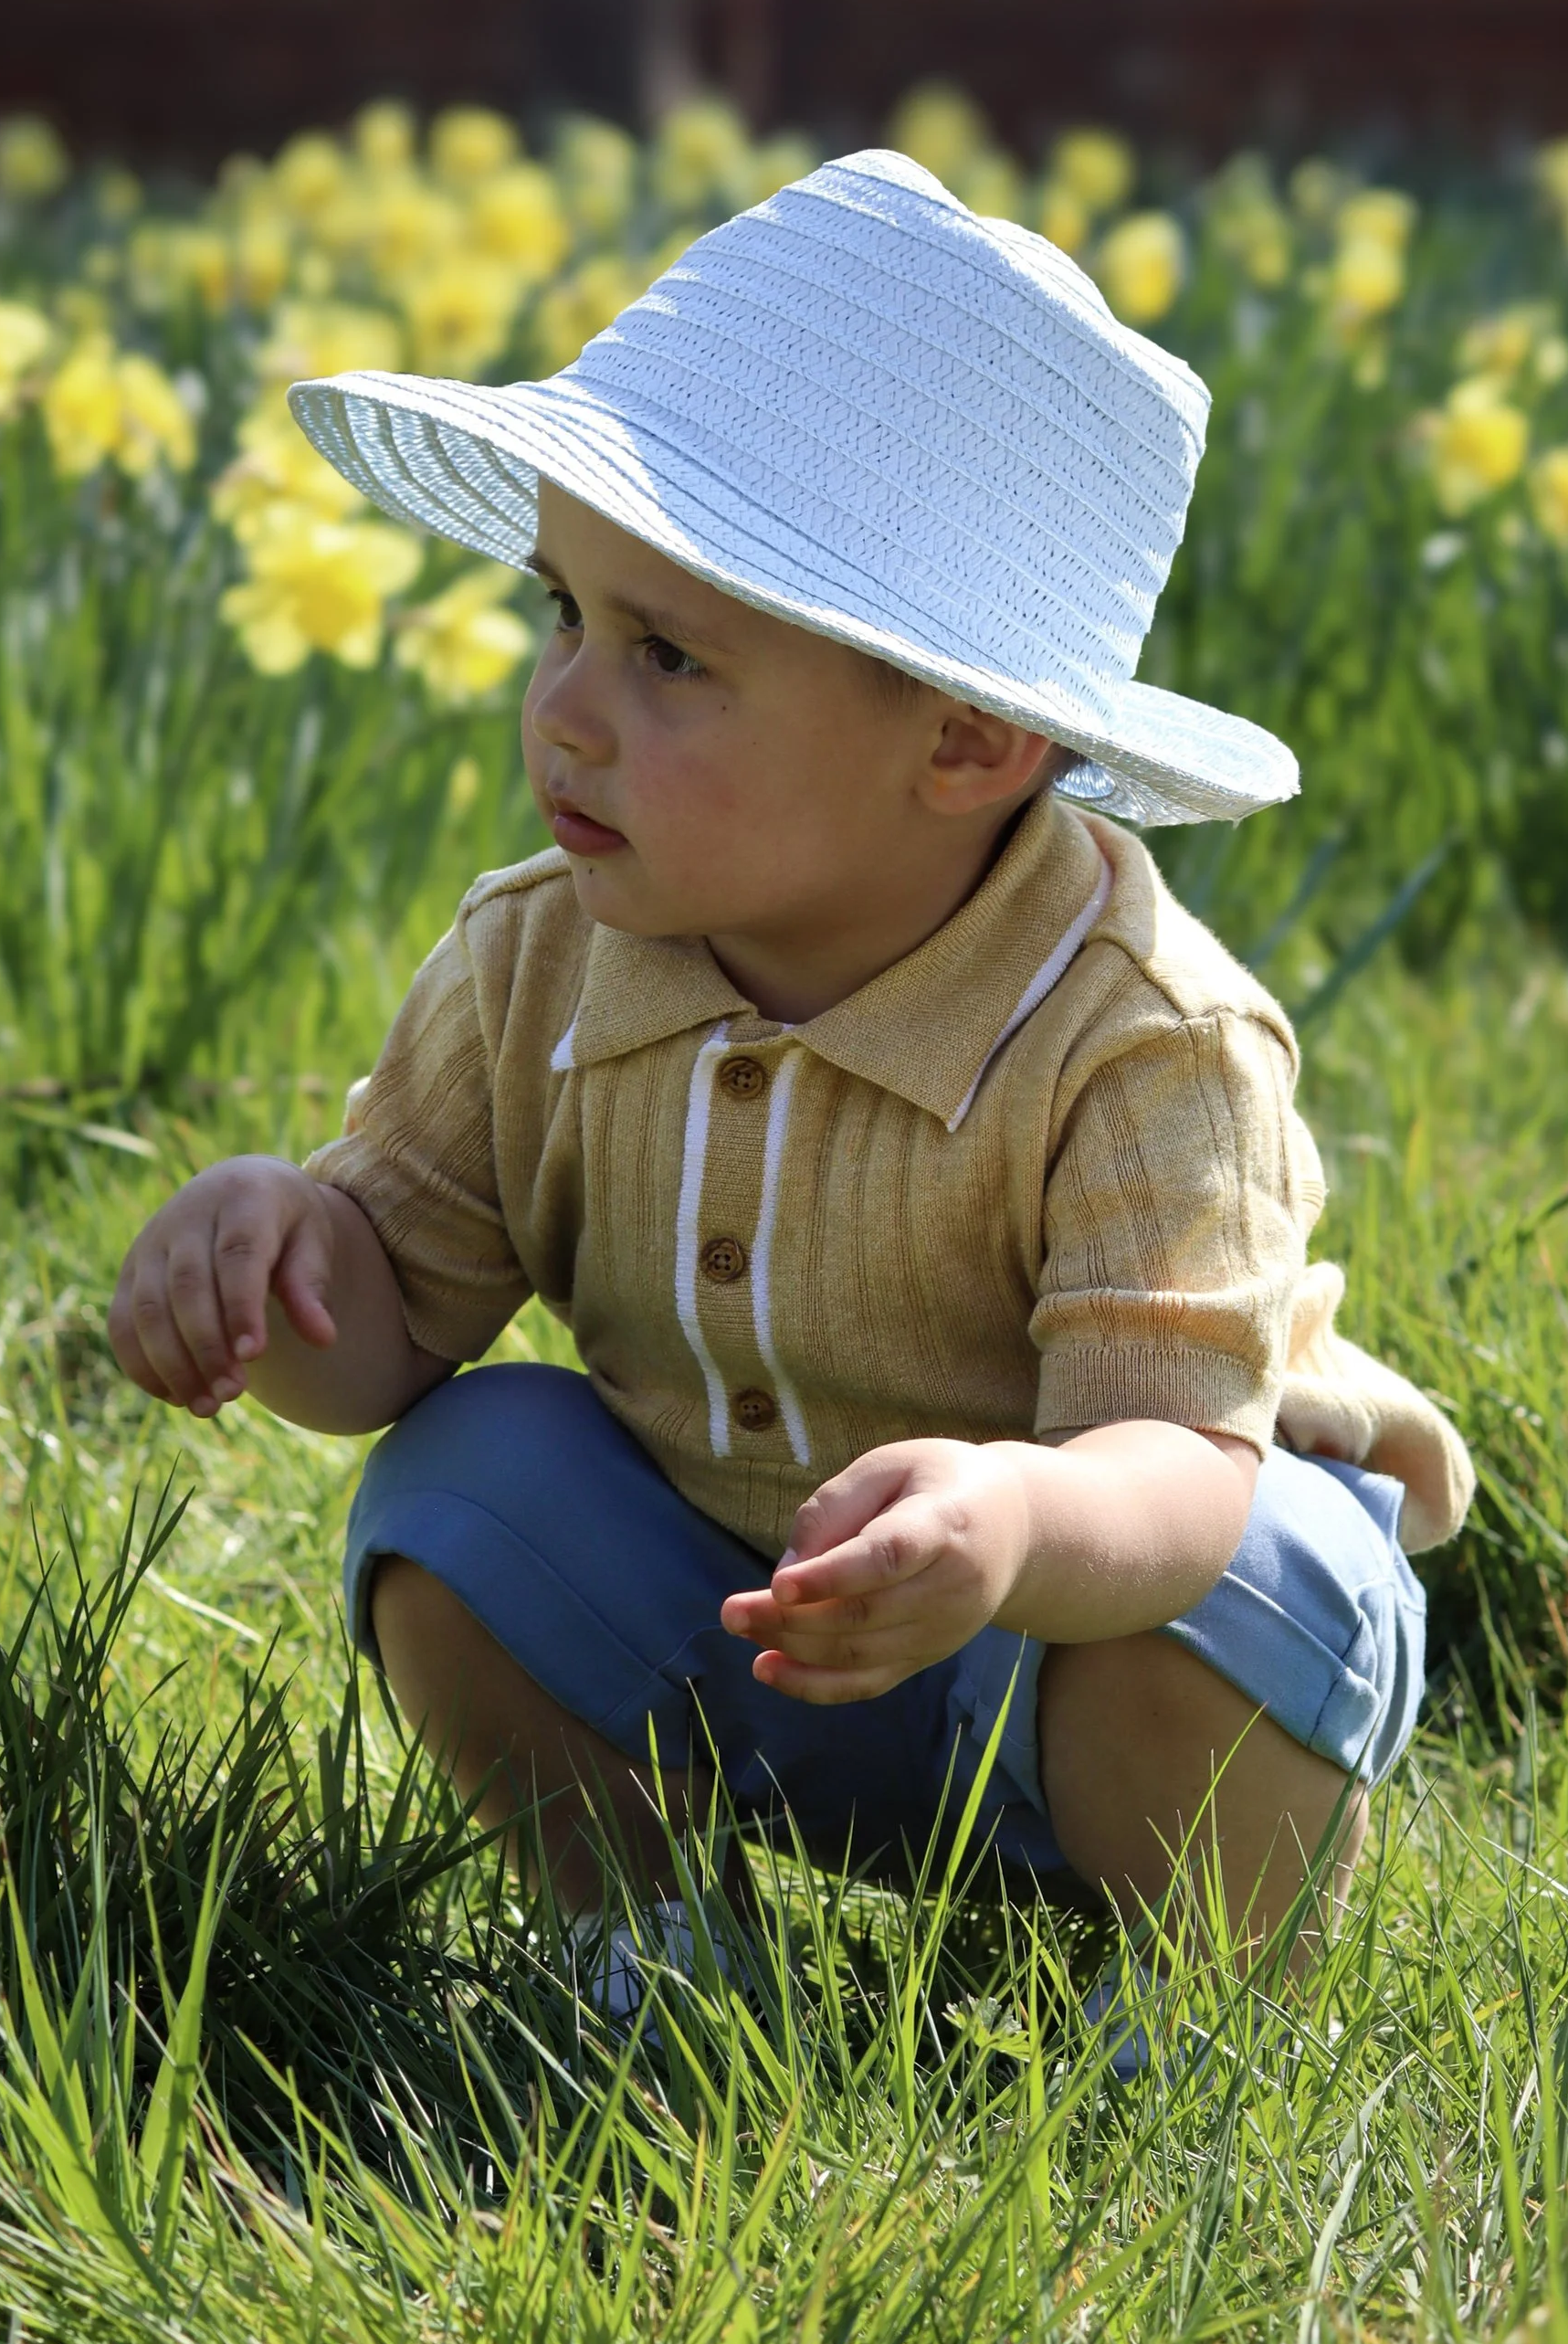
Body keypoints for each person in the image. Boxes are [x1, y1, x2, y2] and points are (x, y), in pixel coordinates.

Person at [107, 150, 1472, 2021]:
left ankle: (1188, 2007)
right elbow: (384, 1355)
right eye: (559, 614)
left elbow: (1175, 1480)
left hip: (1074, 1651)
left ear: (968, 738)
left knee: (1257, 1580)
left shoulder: (1140, 1039)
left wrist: (1007, 1529)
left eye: (666, 654)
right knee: (459, 1480)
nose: (564, 707)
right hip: (748, 1644)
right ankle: (648, 1944)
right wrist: (274, 1262)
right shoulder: (538, 962)